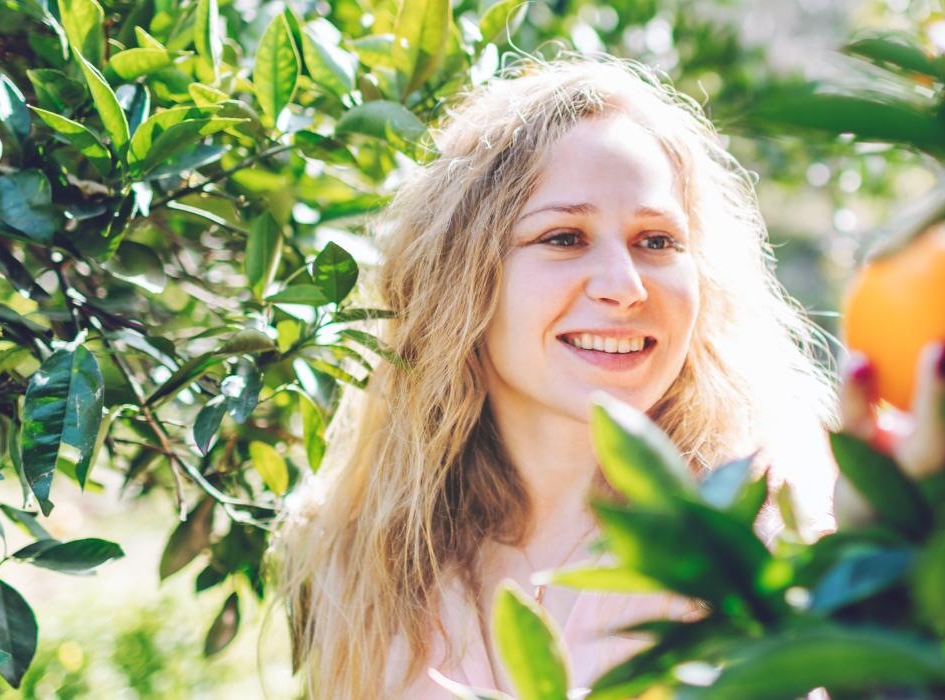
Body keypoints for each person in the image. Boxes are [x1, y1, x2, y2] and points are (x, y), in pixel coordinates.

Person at [270, 56, 843, 698]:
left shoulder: (775, 524)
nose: (625, 287)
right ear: (462, 276)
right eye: (565, 237)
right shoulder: (365, 556)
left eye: (656, 242)